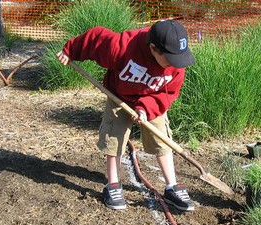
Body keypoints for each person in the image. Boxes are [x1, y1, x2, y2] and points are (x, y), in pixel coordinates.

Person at [57, 20, 196, 211]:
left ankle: (171, 186)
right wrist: (70, 50)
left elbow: (168, 93)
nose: (176, 64)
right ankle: (113, 184)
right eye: (171, 58)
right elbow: (95, 39)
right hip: (119, 96)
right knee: (114, 136)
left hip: (153, 99)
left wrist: (145, 108)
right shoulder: (122, 47)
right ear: (154, 48)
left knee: (161, 137)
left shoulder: (177, 62)